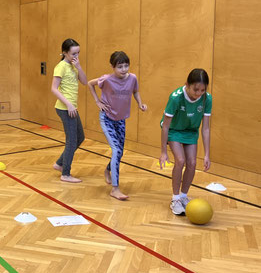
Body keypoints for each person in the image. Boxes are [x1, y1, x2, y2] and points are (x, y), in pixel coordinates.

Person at [87, 51, 147, 200]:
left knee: (120, 152)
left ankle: (107, 170)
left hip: (121, 120)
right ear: (112, 67)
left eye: (126, 66)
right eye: (120, 67)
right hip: (107, 118)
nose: (124, 69)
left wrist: (140, 104)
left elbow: (135, 91)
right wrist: (97, 101)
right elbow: (90, 84)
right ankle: (115, 189)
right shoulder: (106, 79)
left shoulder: (132, 78)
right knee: (116, 150)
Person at [159, 68, 212, 215]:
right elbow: (166, 126)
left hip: (190, 131)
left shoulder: (207, 99)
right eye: (195, 89)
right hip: (174, 130)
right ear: (187, 85)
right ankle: (175, 199)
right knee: (180, 160)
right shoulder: (176, 97)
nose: (198, 93)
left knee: (192, 163)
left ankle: (183, 196)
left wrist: (207, 154)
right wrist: (163, 152)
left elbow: (205, 128)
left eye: (202, 90)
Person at [51, 38, 87, 183]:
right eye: (73, 54)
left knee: (80, 137)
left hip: (72, 108)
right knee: (71, 141)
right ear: (64, 53)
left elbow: (84, 81)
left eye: (78, 53)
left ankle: (59, 164)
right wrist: (69, 105)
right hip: (65, 108)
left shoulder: (74, 66)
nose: (76, 56)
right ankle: (65, 174)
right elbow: (54, 88)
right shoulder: (61, 67)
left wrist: (79, 67)